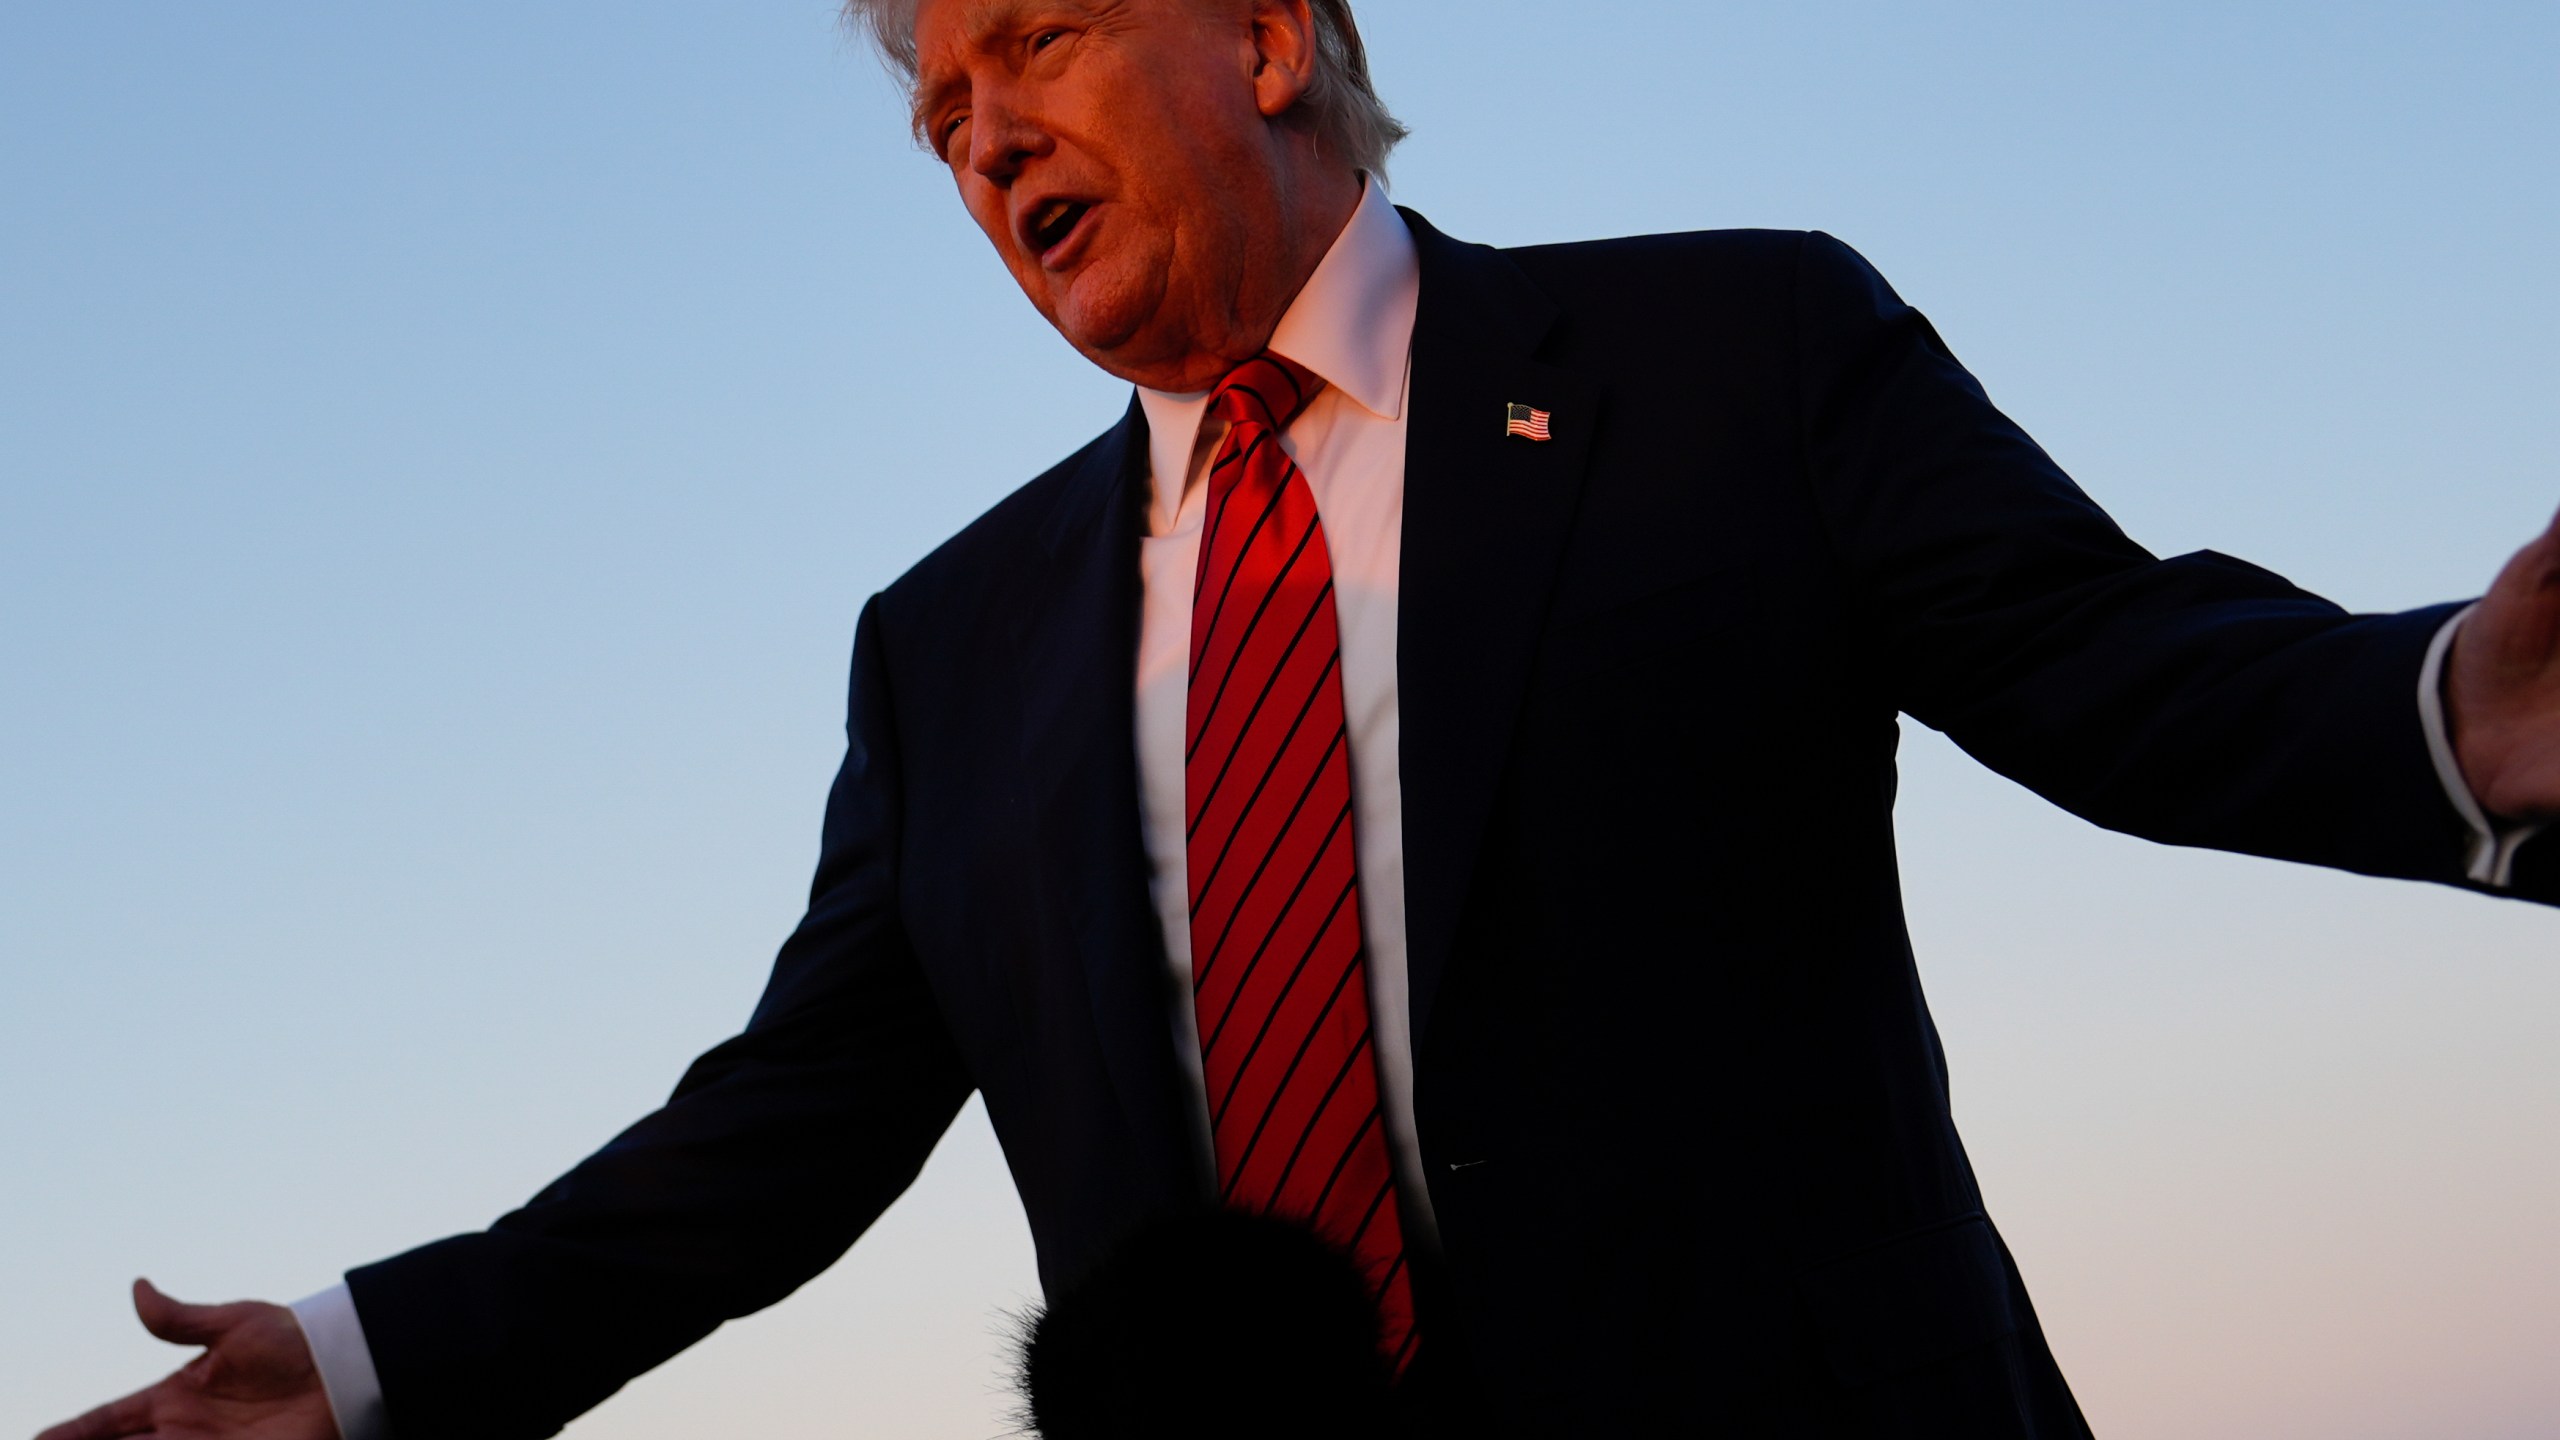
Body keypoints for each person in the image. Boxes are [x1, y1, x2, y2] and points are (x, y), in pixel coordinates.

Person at [38, 1, 2560, 1436]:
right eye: (935, 112)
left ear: (1264, 35)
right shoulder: (949, 643)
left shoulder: (1732, 352)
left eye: (1023, 37)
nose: (976, 130)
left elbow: (2108, 669)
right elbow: (773, 1141)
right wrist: (364, 1368)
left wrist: (2457, 711)